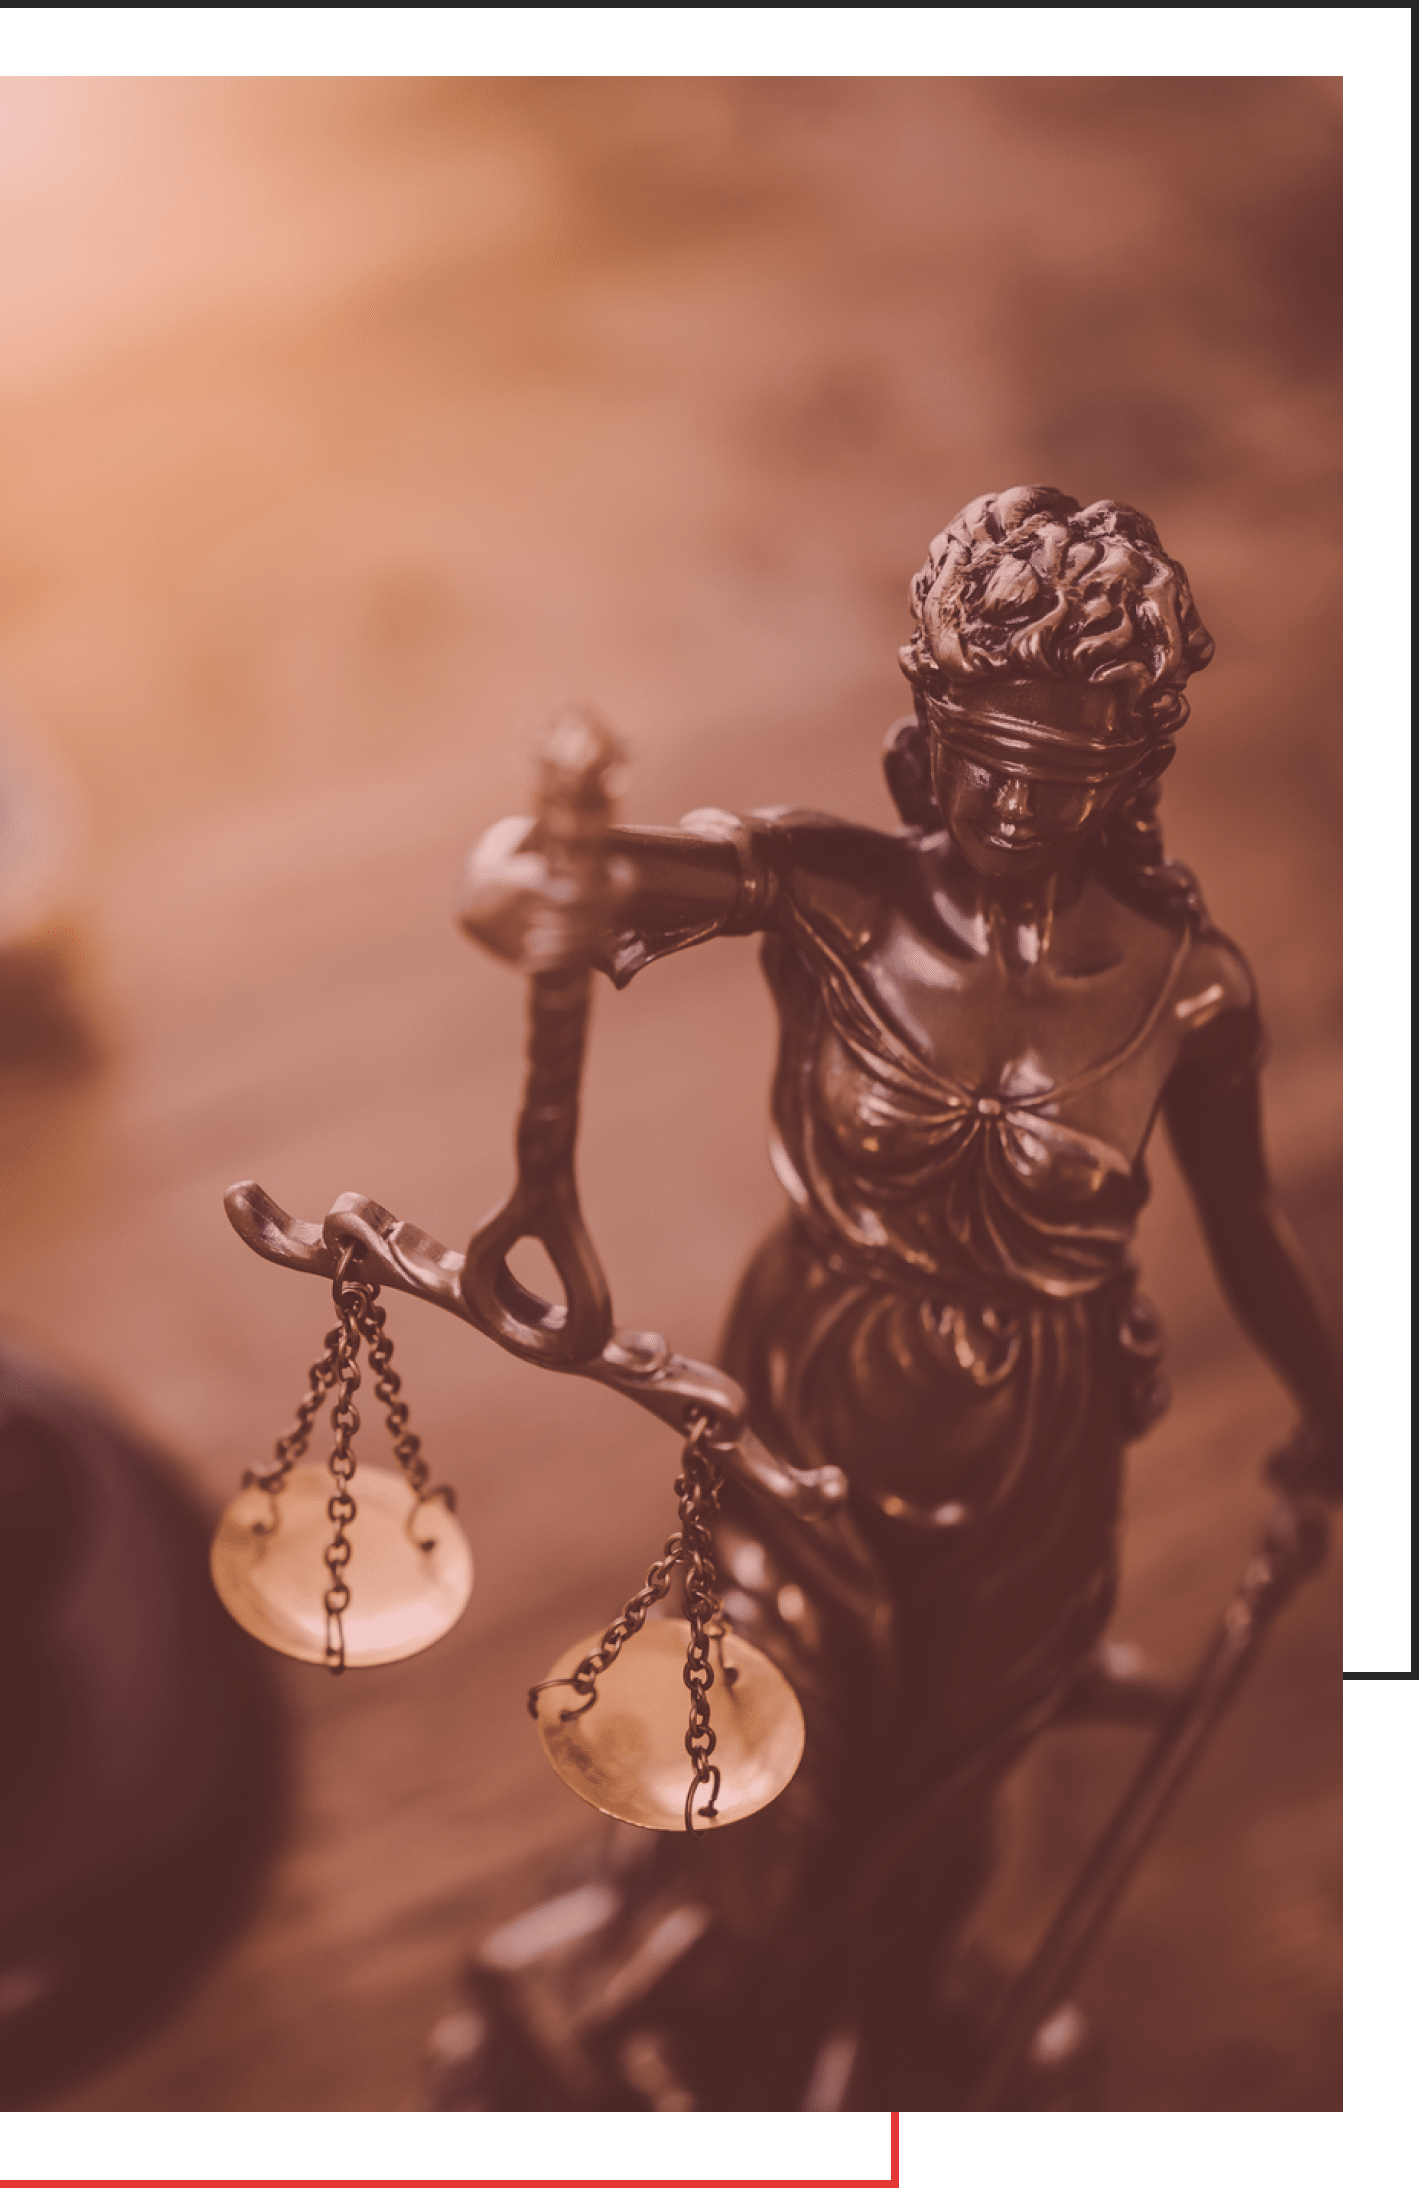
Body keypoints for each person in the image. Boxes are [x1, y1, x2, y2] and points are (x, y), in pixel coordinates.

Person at [457, 485, 1341, 2108]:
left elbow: (1250, 1231)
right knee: (761, 1730)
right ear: (928, 727)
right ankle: (679, 1976)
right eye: (979, 749)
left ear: (1131, 770)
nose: (1009, 799)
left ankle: (860, 2034)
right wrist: (550, 882)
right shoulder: (829, 889)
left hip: (1036, 1455)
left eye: (1059, 772)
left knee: (939, 1792)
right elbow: (578, 883)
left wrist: (1340, 1410)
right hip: (807, 1397)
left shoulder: (1190, 990)